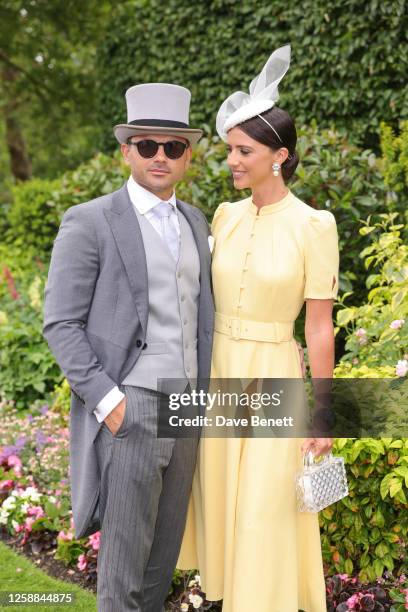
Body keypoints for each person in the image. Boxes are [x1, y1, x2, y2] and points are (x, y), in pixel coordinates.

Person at [178, 45, 339, 611]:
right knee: (223, 497)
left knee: (265, 506)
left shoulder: (314, 226)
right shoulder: (225, 214)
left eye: (243, 152)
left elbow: (319, 327)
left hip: (273, 371)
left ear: (280, 156)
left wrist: (324, 411)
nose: (231, 162)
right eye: (230, 151)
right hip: (221, 369)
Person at [43, 83, 214, 612]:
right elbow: (60, 323)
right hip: (131, 402)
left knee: (162, 564)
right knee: (121, 574)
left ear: (187, 155)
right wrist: (109, 401)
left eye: (174, 147)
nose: (160, 156)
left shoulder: (196, 222)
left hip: (187, 404)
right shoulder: (90, 221)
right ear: (126, 150)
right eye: (147, 146)